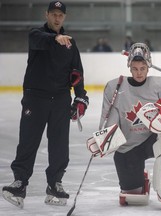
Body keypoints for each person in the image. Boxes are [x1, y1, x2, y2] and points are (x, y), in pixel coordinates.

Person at [2, 1, 89, 208]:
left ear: (64, 17)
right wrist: (54, 38)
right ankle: (20, 183)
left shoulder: (70, 44)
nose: (57, 18)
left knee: (59, 145)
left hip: (59, 99)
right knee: (28, 141)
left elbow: (77, 72)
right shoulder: (36, 35)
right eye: (53, 14)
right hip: (35, 98)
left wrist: (80, 97)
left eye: (60, 15)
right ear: (47, 14)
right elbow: (38, 39)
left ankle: (54, 184)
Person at [98, 43, 161, 210]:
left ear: (148, 67)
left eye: (142, 68)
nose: (139, 72)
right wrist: (105, 139)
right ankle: (138, 177)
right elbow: (109, 121)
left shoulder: (160, 84)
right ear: (129, 68)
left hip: (154, 138)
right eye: (135, 68)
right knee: (134, 196)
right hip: (129, 146)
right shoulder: (115, 87)